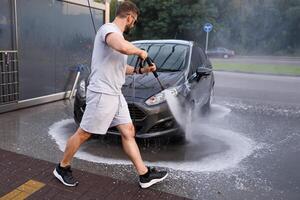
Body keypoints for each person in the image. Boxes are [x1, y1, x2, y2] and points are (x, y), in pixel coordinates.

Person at [53, 1, 168, 189]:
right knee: (84, 133)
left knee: (128, 131)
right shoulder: (108, 30)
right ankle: (62, 167)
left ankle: (144, 175)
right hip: (102, 93)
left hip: (115, 93)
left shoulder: (120, 37)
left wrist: (142, 70)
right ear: (130, 17)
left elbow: (122, 68)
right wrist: (139, 51)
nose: (134, 24)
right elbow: (120, 46)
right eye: (134, 21)